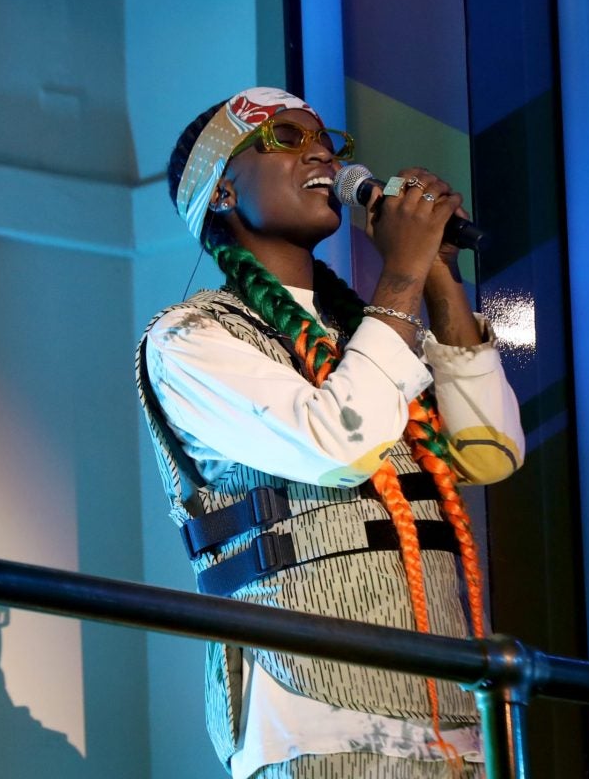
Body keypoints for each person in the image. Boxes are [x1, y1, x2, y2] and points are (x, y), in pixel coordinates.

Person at [135, 86, 524, 778]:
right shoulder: (188, 338)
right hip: (313, 721)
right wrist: (400, 276)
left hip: (454, 721)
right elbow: (340, 443)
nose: (321, 154)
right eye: (285, 138)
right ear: (222, 192)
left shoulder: (371, 337)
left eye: (327, 141)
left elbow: (492, 452)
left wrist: (437, 275)